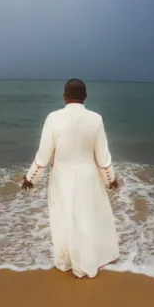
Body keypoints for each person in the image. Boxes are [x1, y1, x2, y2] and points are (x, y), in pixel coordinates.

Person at [21, 78, 120, 279]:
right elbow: (102, 155)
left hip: (62, 176)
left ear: (64, 96)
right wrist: (111, 179)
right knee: (86, 218)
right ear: (85, 97)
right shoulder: (96, 119)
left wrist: (31, 177)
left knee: (64, 218)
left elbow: (44, 154)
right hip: (88, 176)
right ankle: (87, 261)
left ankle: (66, 261)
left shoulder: (53, 118)